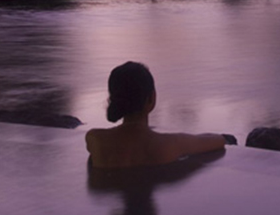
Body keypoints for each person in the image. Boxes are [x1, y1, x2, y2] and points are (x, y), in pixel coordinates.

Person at [86, 62, 226, 168]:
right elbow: (218, 141)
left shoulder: (95, 139)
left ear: (112, 99)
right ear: (151, 99)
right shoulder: (168, 145)